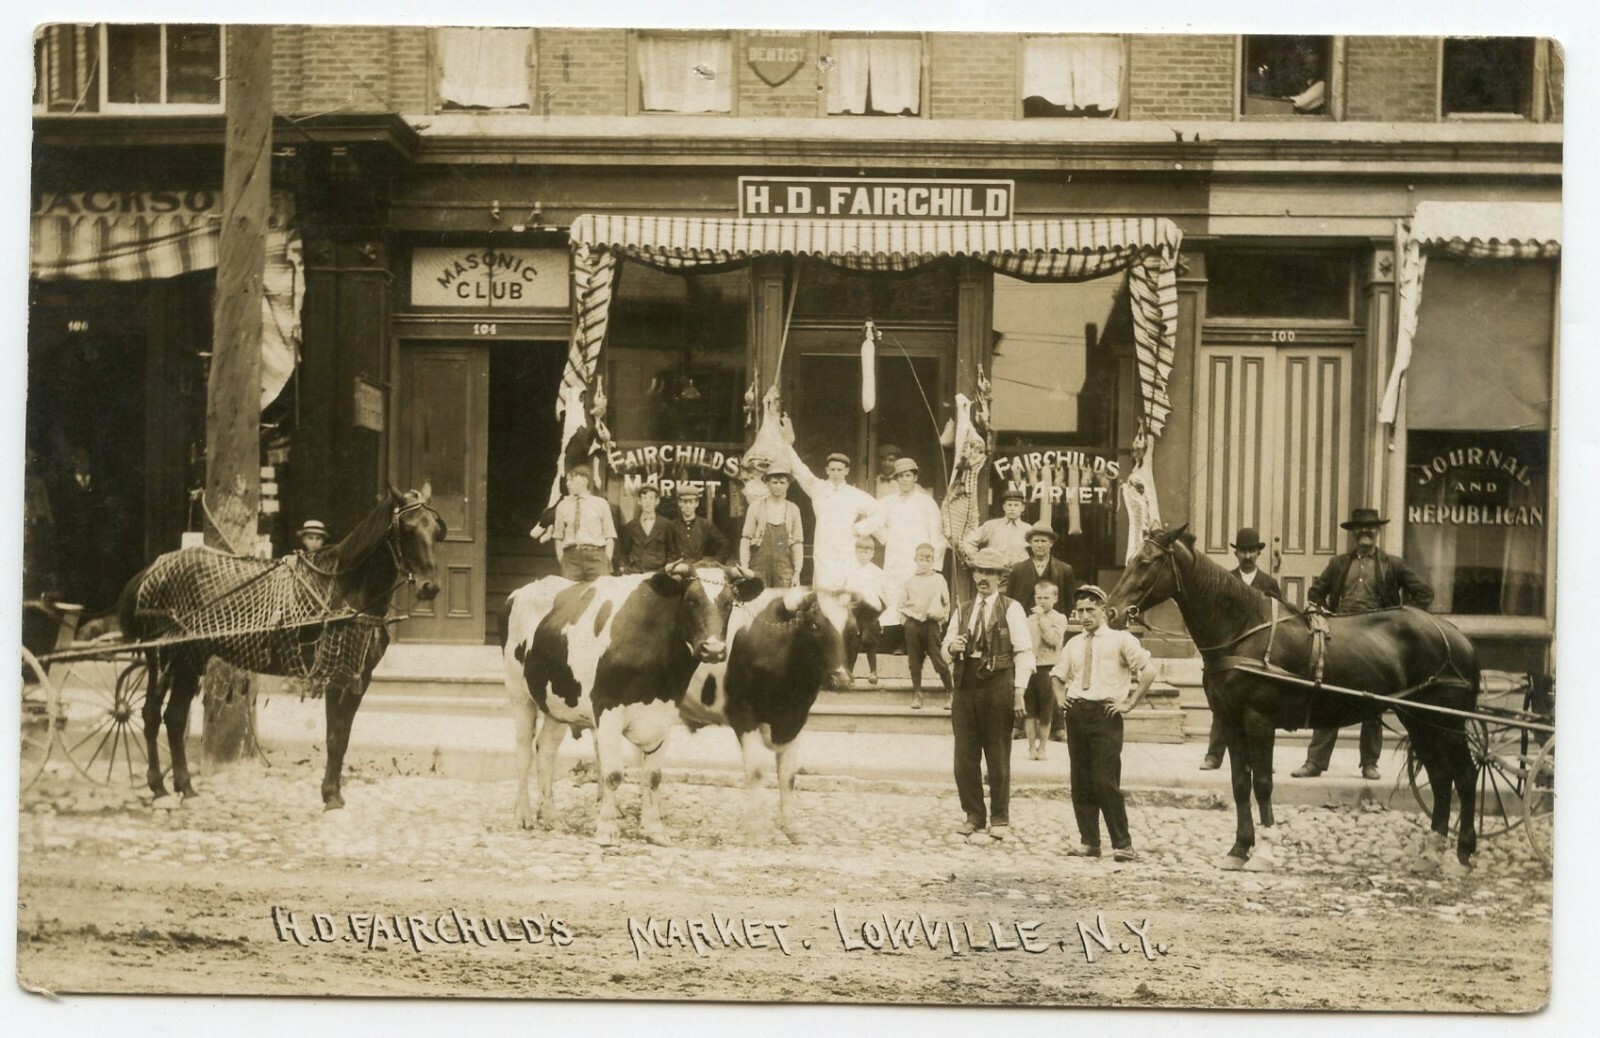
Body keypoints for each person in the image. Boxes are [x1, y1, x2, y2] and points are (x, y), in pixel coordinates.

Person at [1292, 507, 1435, 781]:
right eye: (1360, 528)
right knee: (1329, 694)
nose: (1365, 533)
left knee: (1374, 699)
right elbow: (1315, 593)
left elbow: (1424, 592)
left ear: (1378, 531)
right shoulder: (1338, 564)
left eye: (1370, 528)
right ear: (1353, 533)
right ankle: (1315, 762)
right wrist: (1322, 614)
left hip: (1377, 641)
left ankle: (1369, 763)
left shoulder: (1392, 564)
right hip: (1341, 638)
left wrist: (1400, 620)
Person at [1051, 584, 1155, 862]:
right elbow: (1057, 675)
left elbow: (1148, 671)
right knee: (1081, 780)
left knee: (1105, 781)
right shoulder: (1074, 643)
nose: (1084, 615)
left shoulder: (1121, 640)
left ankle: (1123, 844)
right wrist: (1061, 700)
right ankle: (1089, 842)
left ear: (1104, 611)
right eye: (1080, 610)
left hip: (1106, 715)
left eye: (1090, 609)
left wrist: (1129, 703)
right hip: (1077, 714)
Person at [941, 547, 1035, 841]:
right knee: (964, 756)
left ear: (1000, 578)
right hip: (966, 686)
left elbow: (1024, 653)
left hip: (998, 686)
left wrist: (1019, 691)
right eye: (979, 572)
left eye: (990, 573)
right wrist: (951, 648)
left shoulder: (1012, 609)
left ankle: (1000, 818)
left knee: (997, 755)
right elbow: (944, 651)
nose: (983, 578)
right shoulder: (963, 609)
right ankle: (973, 815)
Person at [1200, 527, 1284, 770]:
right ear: (1236, 553)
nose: (1247, 557)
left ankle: (1260, 760)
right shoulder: (1226, 579)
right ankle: (1214, 755)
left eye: (1252, 551)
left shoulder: (1268, 583)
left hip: (1258, 654)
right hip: (1231, 652)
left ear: (1259, 553)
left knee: (1261, 708)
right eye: (1243, 552)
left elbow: (1278, 616)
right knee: (1223, 703)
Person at [785, 446, 883, 589]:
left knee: (844, 592)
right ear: (827, 470)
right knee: (823, 592)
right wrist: (786, 444)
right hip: (823, 551)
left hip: (846, 550)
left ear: (846, 471)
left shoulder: (854, 494)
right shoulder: (818, 488)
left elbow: (880, 512)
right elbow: (799, 469)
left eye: (840, 470)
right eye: (833, 469)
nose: (836, 473)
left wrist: (860, 529)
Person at [876, 457, 946, 634]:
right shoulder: (888, 502)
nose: (905, 479)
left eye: (908, 475)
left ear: (915, 477)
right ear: (896, 479)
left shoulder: (926, 502)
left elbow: (936, 536)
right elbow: (874, 522)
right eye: (900, 476)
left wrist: (934, 566)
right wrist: (886, 538)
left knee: (917, 599)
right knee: (894, 596)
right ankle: (895, 637)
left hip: (918, 560)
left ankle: (911, 642)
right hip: (895, 557)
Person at [899, 542, 952, 711]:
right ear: (915, 559)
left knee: (938, 659)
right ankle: (917, 694)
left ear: (933, 560)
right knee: (914, 661)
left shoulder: (939, 579)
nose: (924, 562)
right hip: (913, 624)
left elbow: (946, 604)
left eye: (928, 559)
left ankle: (950, 693)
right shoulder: (909, 581)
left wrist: (940, 620)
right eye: (921, 559)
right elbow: (900, 605)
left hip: (931, 624)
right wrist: (906, 623)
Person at [1025, 580, 1070, 761]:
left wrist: (1042, 619)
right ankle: (1030, 747)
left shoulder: (1059, 618)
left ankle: (1042, 747)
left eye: (1046, 597)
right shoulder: (1029, 619)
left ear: (1055, 598)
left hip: (1049, 669)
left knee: (1046, 712)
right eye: (1039, 597)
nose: (1042, 601)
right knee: (1029, 711)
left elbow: (1052, 639)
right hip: (1030, 668)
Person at [740, 465, 805, 588]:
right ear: (767, 483)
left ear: (788, 485)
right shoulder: (756, 507)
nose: (778, 486)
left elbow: (797, 543)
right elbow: (745, 539)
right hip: (759, 567)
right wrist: (744, 567)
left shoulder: (793, 509)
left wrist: (797, 573)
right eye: (774, 482)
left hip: (784, 569)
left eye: (782, 482)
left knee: (782, 603)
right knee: (757, 603)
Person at [551, 468, 616, 581]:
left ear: (585, 480)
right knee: (570, 595)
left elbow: (610, 536)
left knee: (600, 594)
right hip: (571, 559)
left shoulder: (601, 503)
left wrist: (606, 560)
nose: (568, 484)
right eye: (567, 480)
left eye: (572, 480)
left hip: (597, 558)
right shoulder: (562, 505)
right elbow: (558, 537)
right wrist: (563, 561)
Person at [845, 537, 888, 689]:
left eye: (867, 551)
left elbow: (884, 594)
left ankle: (873, 671)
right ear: (855, 552)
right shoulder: (850, 571)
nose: (863, 555)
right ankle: (849, 673)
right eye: (860, 551)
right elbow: (846, 592)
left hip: (871, 612)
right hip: (856, 612)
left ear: (872, 553)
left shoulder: (877, 572)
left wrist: (880, 613)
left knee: (870, 641)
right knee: (853, 643)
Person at [1009, 521, 1074, 614]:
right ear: (1030, 543)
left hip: (1052, 625)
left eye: (1043, 541)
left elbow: (1069, 603)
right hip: (1023, 624)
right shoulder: (1017, 569)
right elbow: (1009, 601)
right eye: (1036, 541)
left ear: (1051, 543)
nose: (1039, 545)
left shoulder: (1064, 570)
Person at [960, 488, 1032, 573]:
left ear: (1022, 508)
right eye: (1009, 505)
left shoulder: (1029, 529)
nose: (1012, 508)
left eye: (1016, 505)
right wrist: (978, 560)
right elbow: (968, 541)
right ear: (1004, 507)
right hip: (995, 574)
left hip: (1020, 574)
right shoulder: (991, 525)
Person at [619, 485, 682, 573]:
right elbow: (624, 553)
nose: (647, 502)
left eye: (651, 498)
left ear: (657, 501)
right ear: (639, 501)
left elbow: (672, 552)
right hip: (636, 573)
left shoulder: (666, 525)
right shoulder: (631, 526)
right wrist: (623, 567)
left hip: (658, 573)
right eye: (644, 498)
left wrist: (668, 565)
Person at [674, 484, 730, 562]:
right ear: (680, 503)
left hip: (698, 568)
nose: (688, 506)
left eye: (691, 502)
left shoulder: (705, 524)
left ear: (697, 503)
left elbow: (725, 544)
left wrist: (716, 562)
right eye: (685, 502)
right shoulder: (672, 525)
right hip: (679, 568)